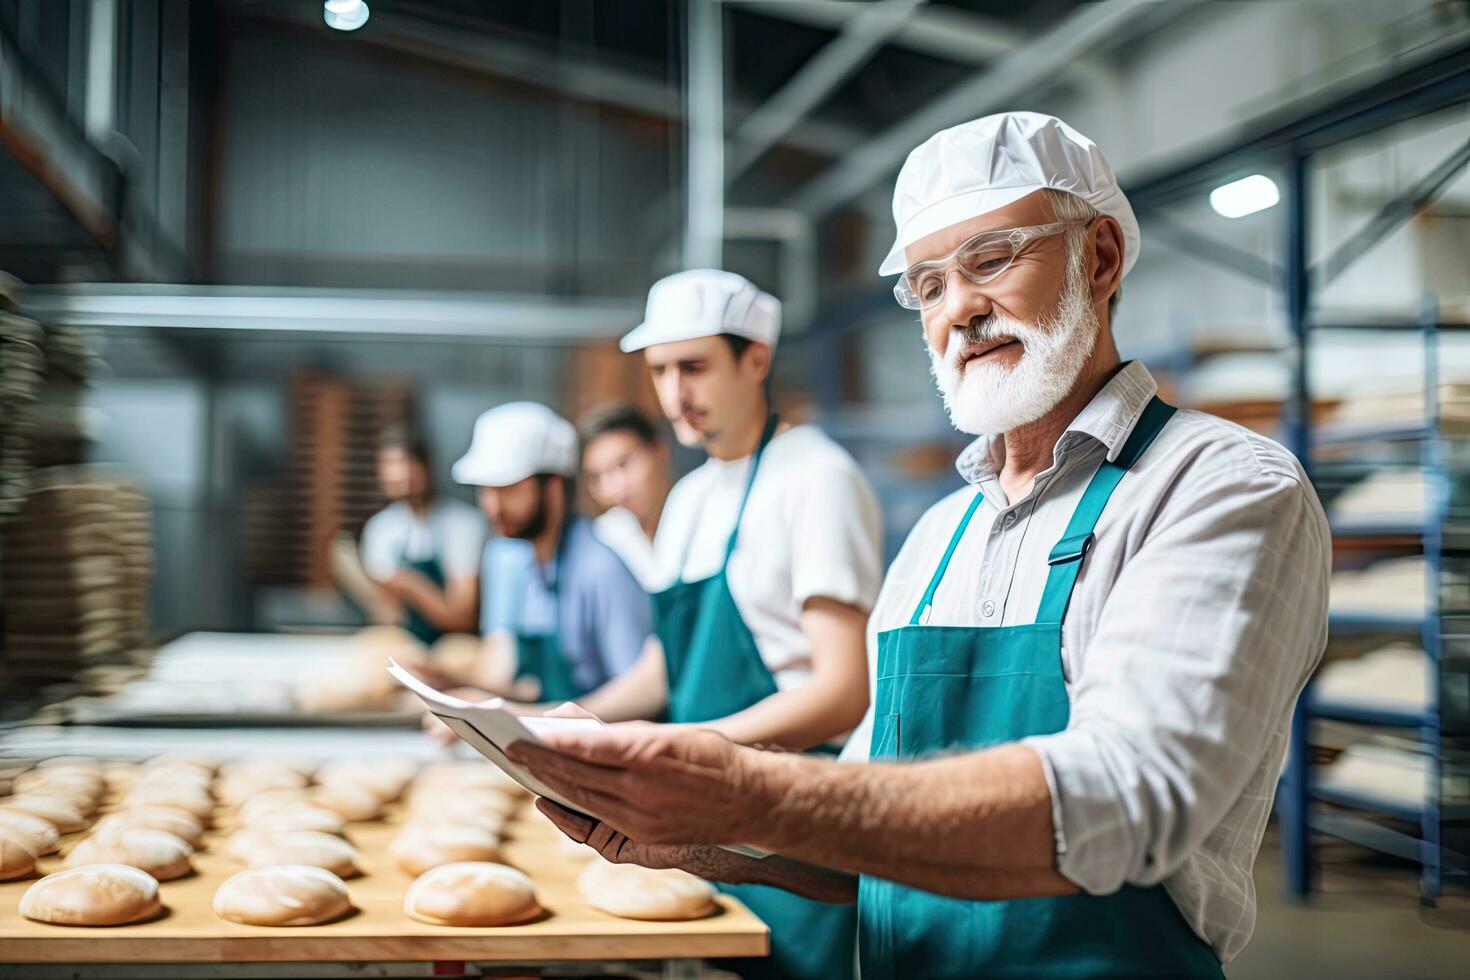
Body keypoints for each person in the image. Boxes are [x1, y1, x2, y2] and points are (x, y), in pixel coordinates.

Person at [509, 113, 1332, 978]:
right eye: (929, 285)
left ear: (1099, 259)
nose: (961, 311)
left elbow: (1123, 800)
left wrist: (744, 785)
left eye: (993, 259)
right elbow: (860, 838)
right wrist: (692, 834)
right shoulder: (940, 539)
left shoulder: (1218, 485)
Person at [559, 270, 883, 979]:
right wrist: (561, 726)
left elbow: (844, 690)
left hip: (792, 828)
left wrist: (683, 747)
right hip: (698, 817)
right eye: (661, 370)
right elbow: (662, 668)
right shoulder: (689, 500)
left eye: (695, 366)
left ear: (756, 360)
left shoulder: (816, 479)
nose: (676, 392)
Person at [450, 401, 652, 705]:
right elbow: (517, 679)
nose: (492, 507)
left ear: (553, 487)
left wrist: (534, 719)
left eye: (508, 489)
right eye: (486, 490)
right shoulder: (512, 558)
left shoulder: (601, 568)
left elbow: (643, 697)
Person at [354, 426, 485, 644]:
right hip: (405, 641)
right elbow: (385, 611)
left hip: (456, 644)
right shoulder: (380, 529)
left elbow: (461, 616)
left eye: (403, 464)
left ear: (426, 466)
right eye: (388, 465)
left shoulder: (463, 525)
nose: (397, 475)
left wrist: (406, 583)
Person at [579, 404, 671, 591]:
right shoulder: (599, 546)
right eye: (596, 477)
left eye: (623, 464)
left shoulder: (704, 519)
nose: (613, 488)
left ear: (659, 452)